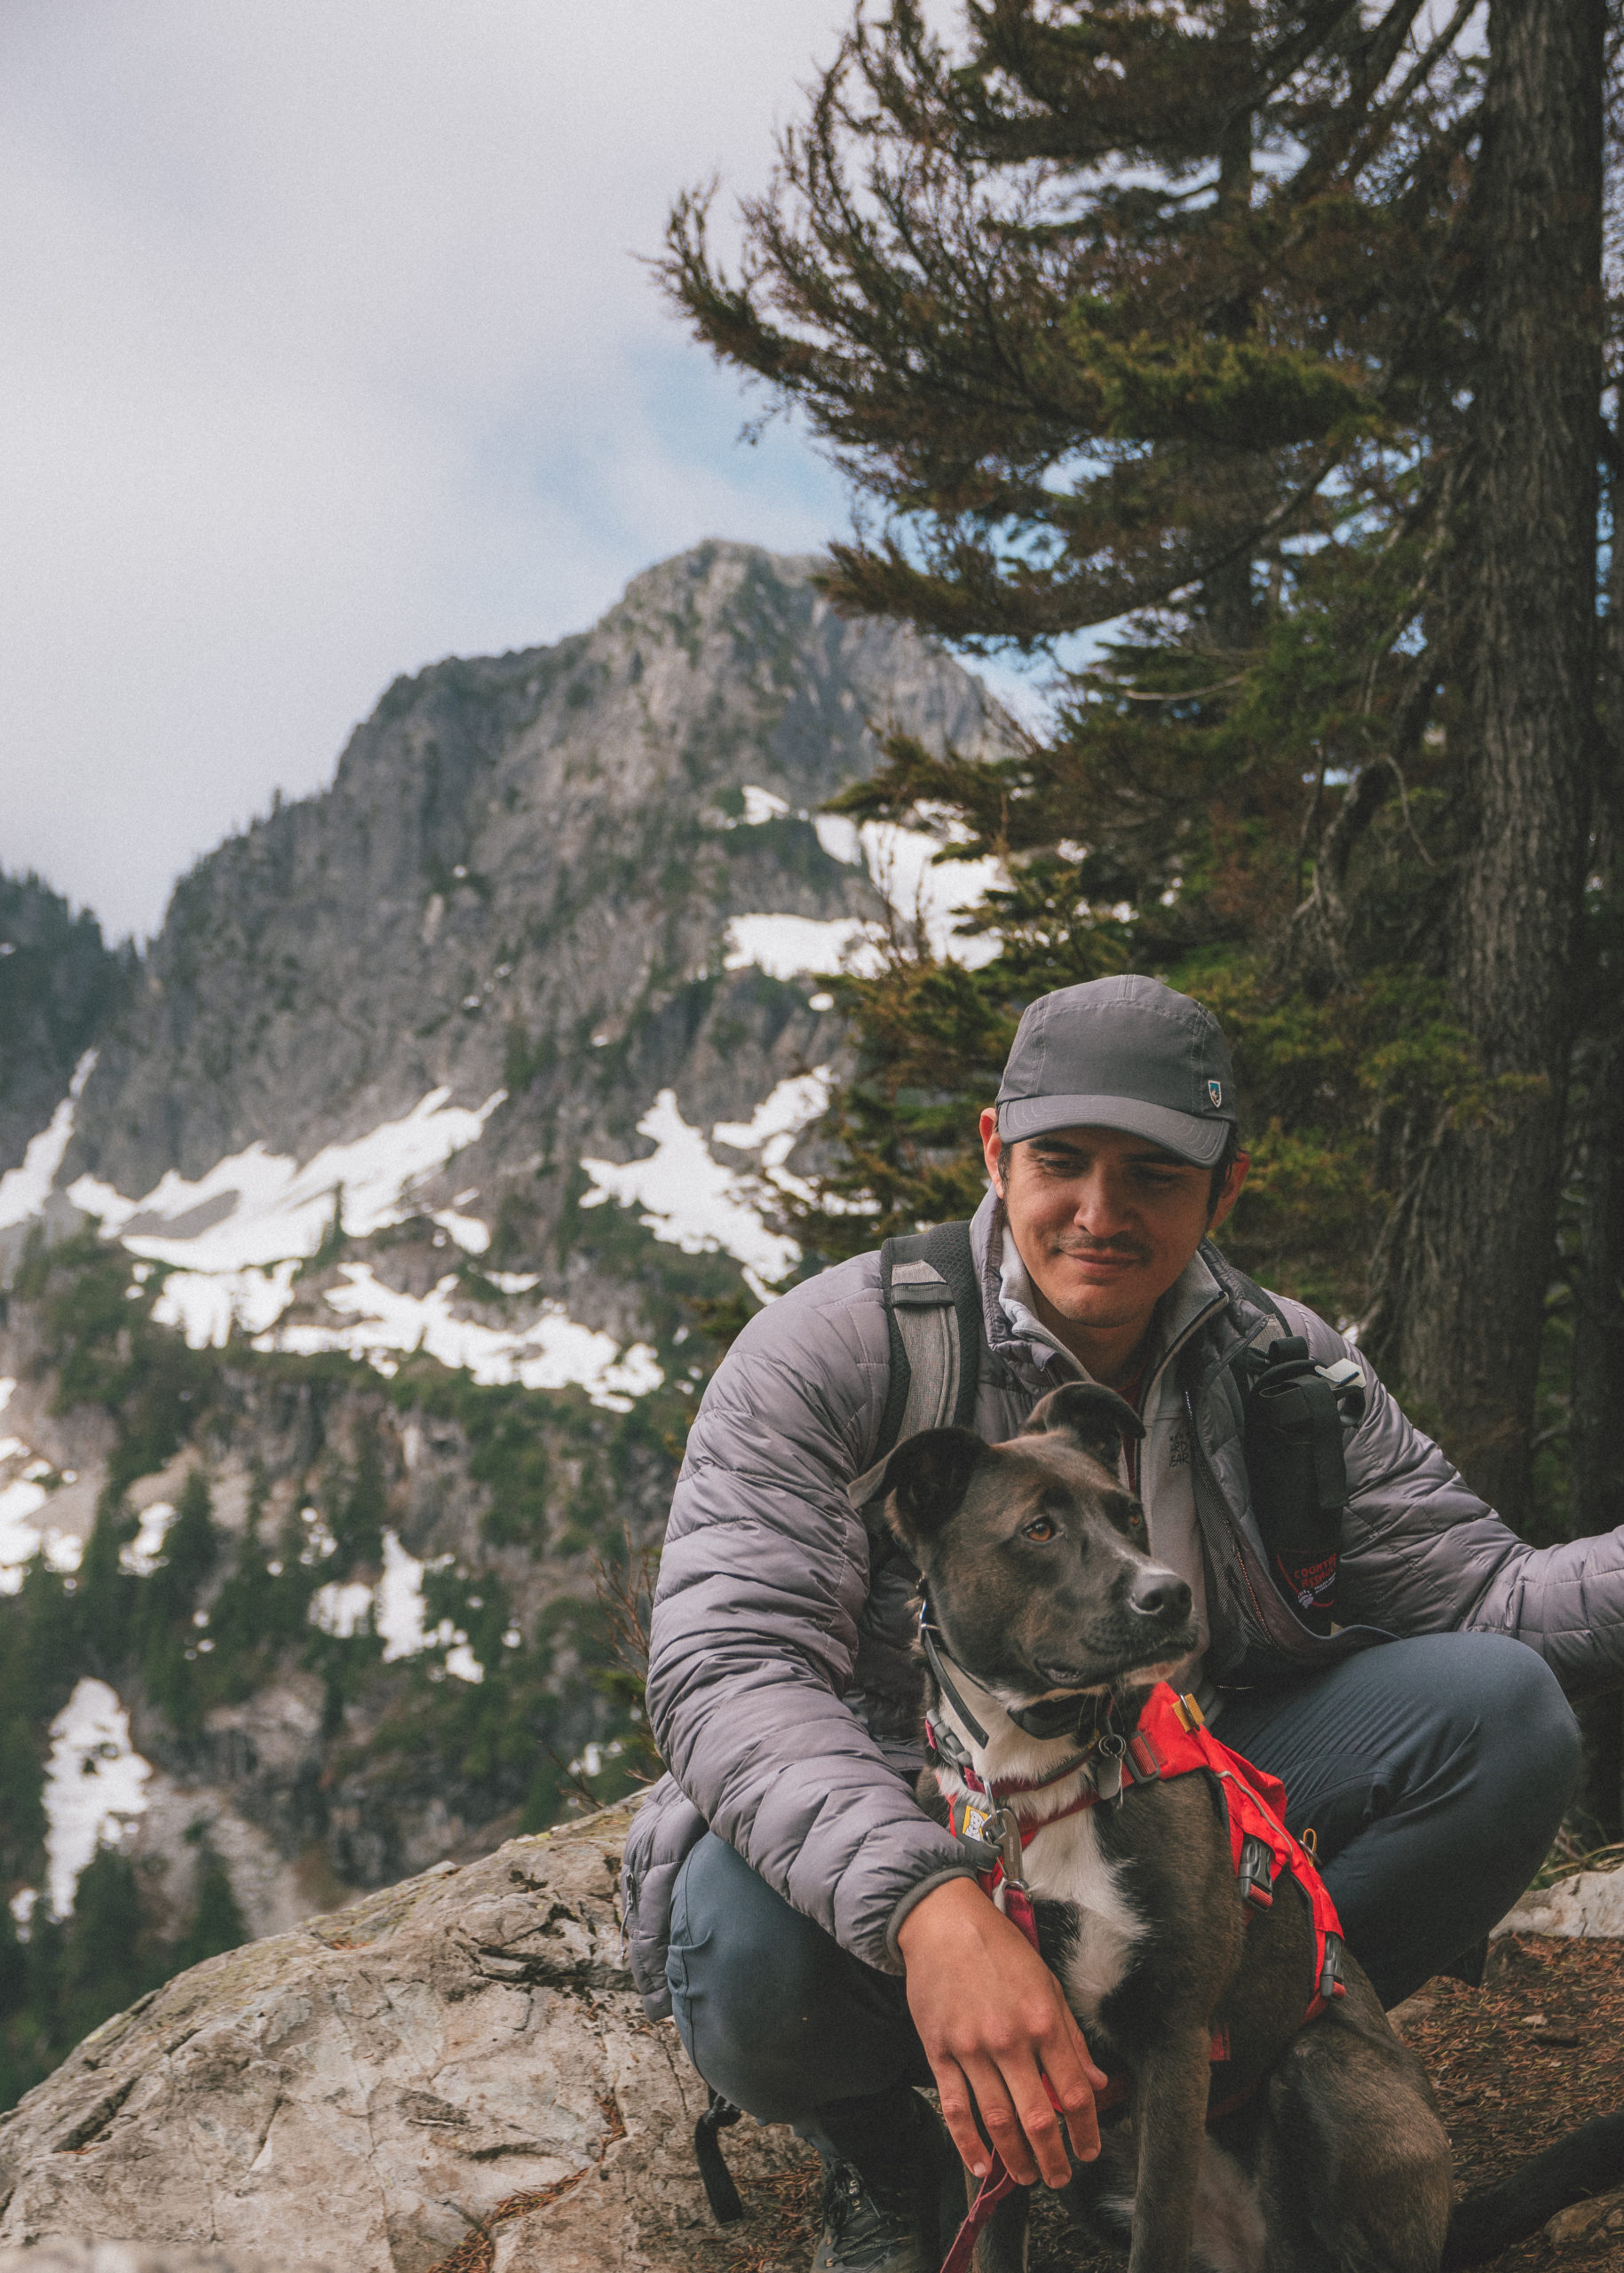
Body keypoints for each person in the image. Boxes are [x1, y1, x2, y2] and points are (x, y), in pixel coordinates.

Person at [621, 974, 1604, 2273]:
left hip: (1165, 1791)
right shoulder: (838, 1350)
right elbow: (725, 1664)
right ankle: (886, 2158)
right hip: (920, 1799)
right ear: (993, 1152)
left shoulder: (1279, 1365)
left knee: (1502, 1717)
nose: (1099, 1211)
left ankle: (1217, 2083)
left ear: (1223, 1188)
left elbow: (1485, 1600)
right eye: (1060, 1162)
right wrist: (930, 1906)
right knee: (733, 1938)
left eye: (1150, 1174)